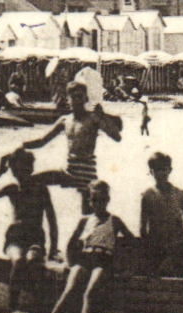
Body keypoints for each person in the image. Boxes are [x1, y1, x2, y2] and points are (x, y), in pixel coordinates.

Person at [22, 81, 123, 214]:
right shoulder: (65, 120)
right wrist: (22, 146)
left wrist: (102, 116)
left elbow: (116, 137)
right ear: (67, 100)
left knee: (88, 214)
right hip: (69, 170)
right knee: (31, 181)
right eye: (73, 97)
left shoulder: (93, 118)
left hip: (86, 172)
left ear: (85, 98)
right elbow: (42, 141)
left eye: (80, 97)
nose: (77, 101)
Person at [0, 148, 59, 311]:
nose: (19, 173)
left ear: (30, 169)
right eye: (15, 170)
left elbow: (52, 220)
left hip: (35, 239)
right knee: (19, 261)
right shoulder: (12, 189)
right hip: (15, 239)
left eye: (23, 169)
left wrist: (52, 249)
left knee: (34, 260)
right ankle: (13, 310)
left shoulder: (40, 189)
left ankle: (38, 308)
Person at [52, 181, 133, 313]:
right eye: (94, 200)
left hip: (103, 261)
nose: (98, 204)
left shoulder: (114, 220)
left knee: (89, 293)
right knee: (69, 289)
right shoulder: (85, 221)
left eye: (101, 200)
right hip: (85, 258)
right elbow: (71, 244)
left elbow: (132, 242)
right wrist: (70, 263)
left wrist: (126, 265)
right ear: (90, 201)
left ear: (107, 200)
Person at [138, 152, 183, 277]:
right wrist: (149, 248)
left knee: (178, 282)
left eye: (164, 169)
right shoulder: (147, 195)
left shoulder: (179, 194)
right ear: (151, 172)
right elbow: (143, 227)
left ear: (169, 170)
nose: (161, 173)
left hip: (177, 246)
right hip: (157, 248)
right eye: (157, 170)